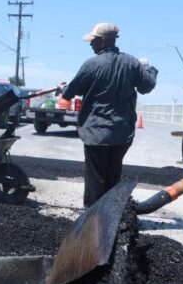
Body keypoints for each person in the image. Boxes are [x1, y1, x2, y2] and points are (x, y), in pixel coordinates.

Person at [61, 23, 158, 207]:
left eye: (94, 41)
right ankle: (111, 214)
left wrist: (64, 88)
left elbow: (69, 92)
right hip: (122, 133)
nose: (91, 45)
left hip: (96, 133)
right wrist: (150, 70)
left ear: (104, 41)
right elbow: (147, 86)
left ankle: (92, 218)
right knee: (113, 175)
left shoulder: (91, 64)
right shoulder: (132, 63)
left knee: (95, 178)